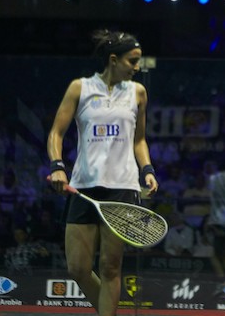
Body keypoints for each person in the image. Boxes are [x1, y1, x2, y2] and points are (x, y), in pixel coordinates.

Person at [47, 29, 159, 316]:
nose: (137, 67)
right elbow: (56, 133)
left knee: (110, 267)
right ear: (113, 59)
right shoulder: (80, 88)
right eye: (132, 60)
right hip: (83, 186)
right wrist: (57, 166)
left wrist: (147, 169)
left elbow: (139, 140)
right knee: (78, 268)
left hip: (122, 187)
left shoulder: (137, 92)